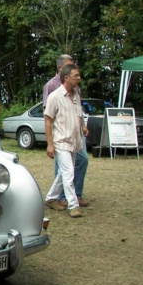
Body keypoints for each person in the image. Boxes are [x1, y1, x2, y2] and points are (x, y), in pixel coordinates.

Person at [44, 54, 89, 207]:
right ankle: (72, 204)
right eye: (75, 74)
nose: (79, 78)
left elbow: (78, 111)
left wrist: (82, 126)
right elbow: (48, 117)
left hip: (74, 138)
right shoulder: (52, 89)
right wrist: (50, 143)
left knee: (68, 169)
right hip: (61, 138)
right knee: (67, 171)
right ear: (63, 73)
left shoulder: (76, 92)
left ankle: (51, 198)